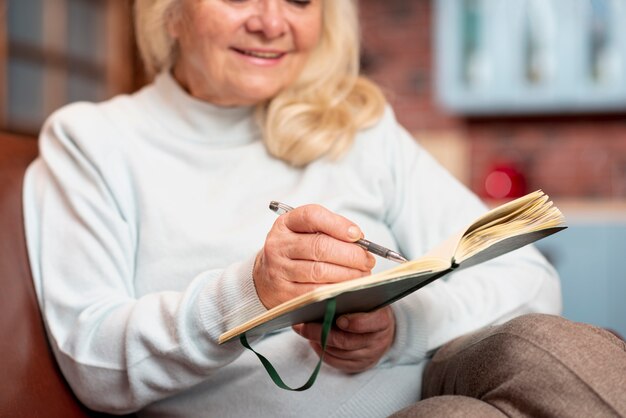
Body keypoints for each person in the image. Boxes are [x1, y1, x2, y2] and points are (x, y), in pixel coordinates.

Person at [21, 0, 625, 417]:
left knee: (546, 344)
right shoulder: (92, 142)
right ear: (171, 12)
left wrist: (398, 331)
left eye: (300, 0)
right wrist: (250, 294)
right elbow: (94, 361)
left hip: (433, 373)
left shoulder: (358, 126)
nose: (270, 23)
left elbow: (531, 281)